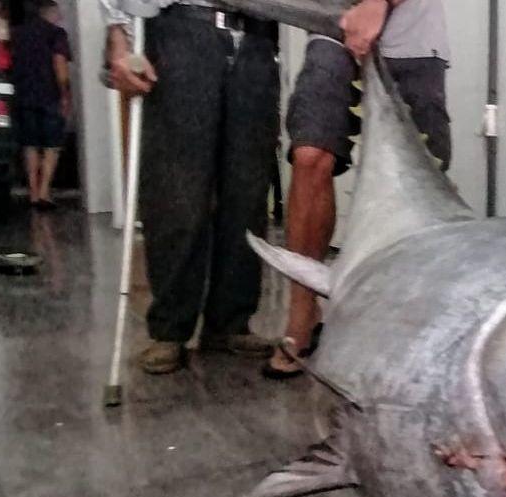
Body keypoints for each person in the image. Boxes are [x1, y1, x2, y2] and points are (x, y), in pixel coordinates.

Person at [264, 0, 451, 379]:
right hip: (333, 30)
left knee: (419, 176)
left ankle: (405, 324)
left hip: (413, 36)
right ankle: (302, 316)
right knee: (310, 154)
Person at [100, 0, 280, 374]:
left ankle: (230, 321)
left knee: (247, 190)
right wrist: (118, 37)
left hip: (258, 36)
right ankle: (170, 329)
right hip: (182, 29)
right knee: (176, 189)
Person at [12, 0, 72, 210]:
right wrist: (65, 94)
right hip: (49, 96)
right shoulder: (56, 34)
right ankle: (45, 192)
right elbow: (60, 65)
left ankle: (33, 192)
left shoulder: (18, 34)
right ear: (51, 12)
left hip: (24, 95)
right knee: (51, 146)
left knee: (30, 144)